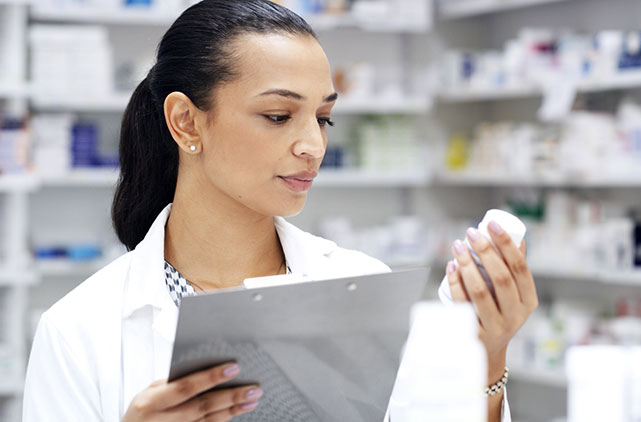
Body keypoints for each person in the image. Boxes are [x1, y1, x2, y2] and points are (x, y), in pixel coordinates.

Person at [22, 1, 539, 421]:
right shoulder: (80, 329)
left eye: (322, 118)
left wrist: (488, 353)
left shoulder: (361, 285)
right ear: (185, 122)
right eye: (278, 115)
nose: (313, 145)